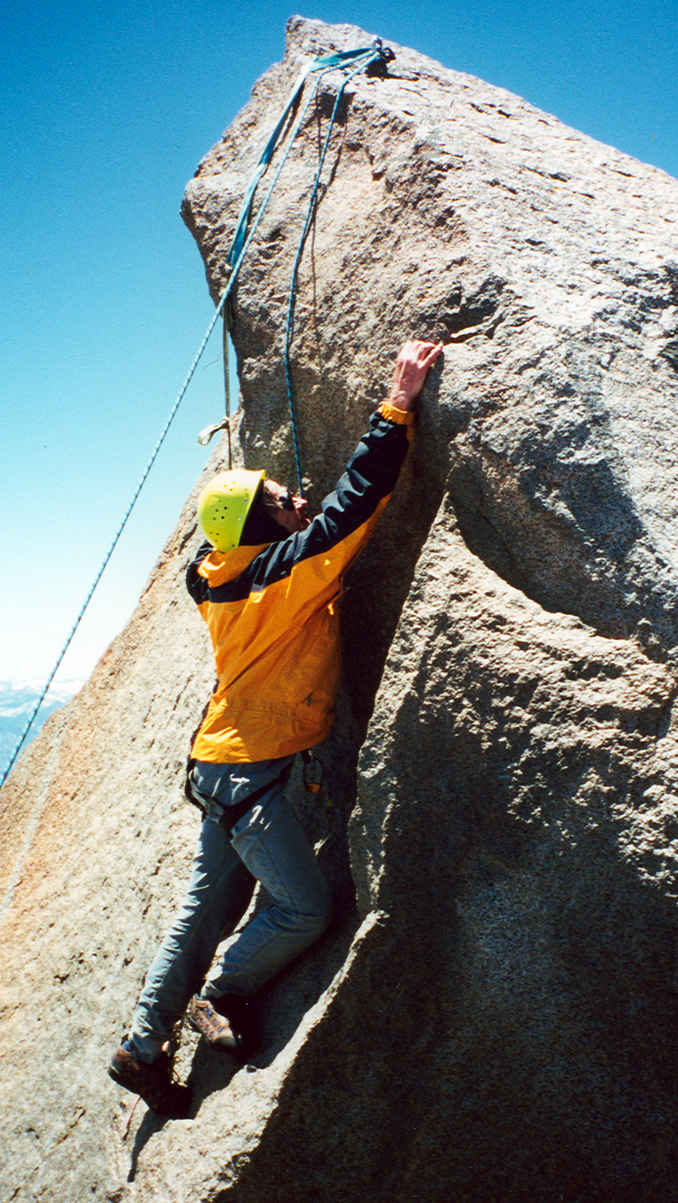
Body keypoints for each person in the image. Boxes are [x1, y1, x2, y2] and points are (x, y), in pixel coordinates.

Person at [108, 339, 443, 1115]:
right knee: (301, 908)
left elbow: (278, 526)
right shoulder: (281, 578)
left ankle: (140, 1043)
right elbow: (353, 506)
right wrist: (398, 404)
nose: (298, 498)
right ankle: (220, 994)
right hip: (250, 775)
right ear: (261, 526)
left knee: (207, 905)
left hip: (221, 763)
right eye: (282, 498)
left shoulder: (222, 573)